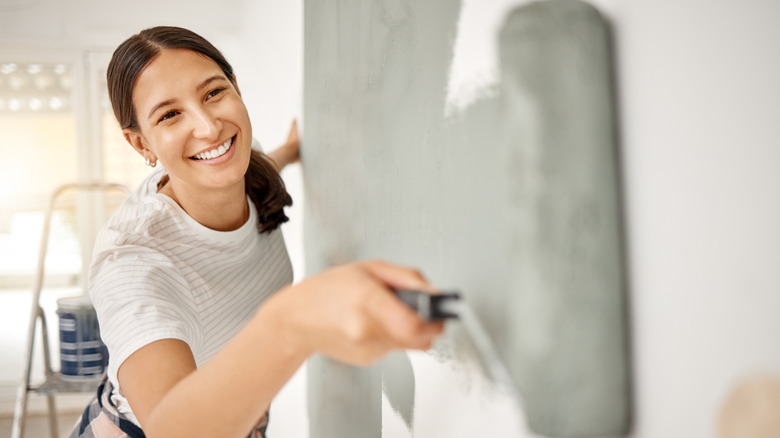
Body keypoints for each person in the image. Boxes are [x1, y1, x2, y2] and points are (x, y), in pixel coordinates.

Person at [70, 26, 443, 438]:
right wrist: (293, 321)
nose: (209, 128)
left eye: (214, 93)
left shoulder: (240, 168)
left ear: (237, 90)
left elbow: (262, 164)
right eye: (170, 114)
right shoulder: (130, 261)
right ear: (141, 145)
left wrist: (293, 150)